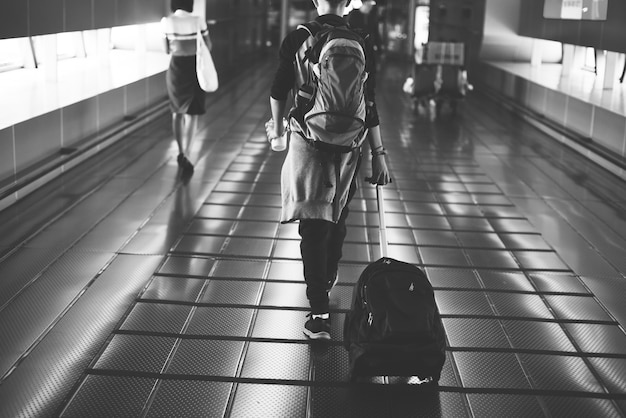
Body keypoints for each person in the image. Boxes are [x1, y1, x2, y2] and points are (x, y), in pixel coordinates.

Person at [268, 0, 391, 340]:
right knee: (337, 217)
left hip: (307, 140)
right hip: (351, 144)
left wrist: (278, 130)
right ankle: (329, 272)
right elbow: (369, 101)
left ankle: (319, 312)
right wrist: (379, 154)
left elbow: (279, 90)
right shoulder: (362, 40)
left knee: (313, 224)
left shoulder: (298, 39)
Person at [161, 0, 212, 174]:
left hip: (175, 69)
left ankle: (180, 150)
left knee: (177, 112)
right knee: (192, 114)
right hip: (194, 69)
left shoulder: (166, 21)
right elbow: (208, 46)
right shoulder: (198, 20)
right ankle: (187, 154)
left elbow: (166, 49)